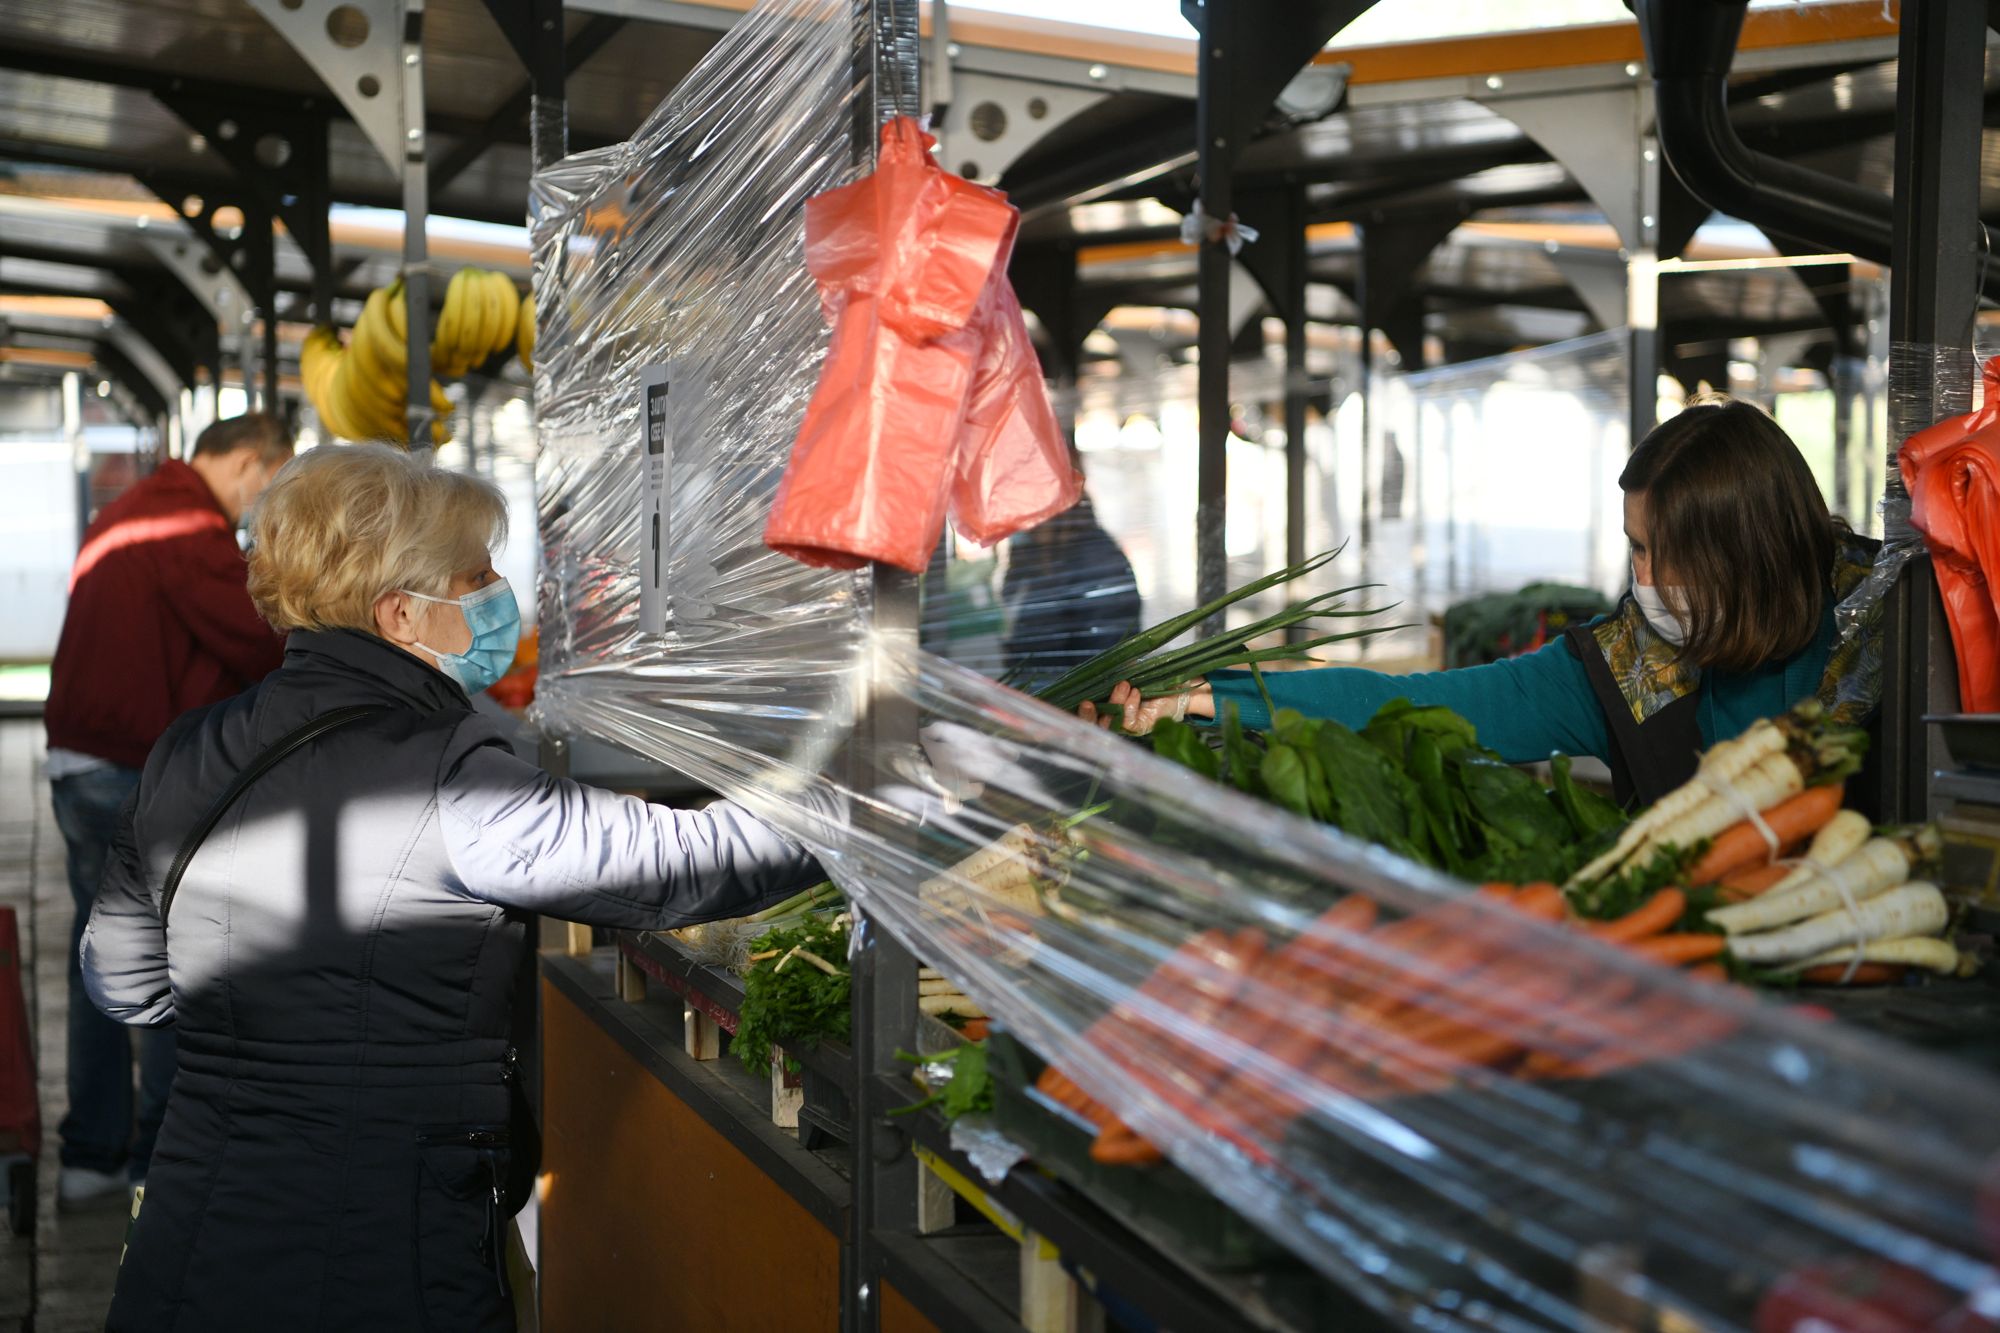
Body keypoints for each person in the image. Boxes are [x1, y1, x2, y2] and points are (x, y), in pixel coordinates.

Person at [82, 444, 827, 1331]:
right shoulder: (445, 773)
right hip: (389, 1253)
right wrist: (864, 810)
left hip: (190, 1239)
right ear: (399, 612)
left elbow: (123, 983)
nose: (500, 592)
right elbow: (681, 862)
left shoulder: (185, 750)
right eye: (476, 577)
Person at [1082, 399, 1883, 808]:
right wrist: (1211, 696)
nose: (1643, 578)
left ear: (1746, 549)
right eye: (1636, 546)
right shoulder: (1627, 666)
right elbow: (1412, 704)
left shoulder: (1885, 631)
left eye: (1663, 554)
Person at [43, 411, 293, 1203]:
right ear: (248, 462)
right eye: (272, 481)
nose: (264, 501)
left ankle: (91, 1155)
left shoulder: (138, 507)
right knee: (173, 958)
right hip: (128, 767)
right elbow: (259, 637)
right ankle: (160, 1161)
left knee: (102, 953)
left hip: (82, 763)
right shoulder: (186, 523)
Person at [1000, 492, 1142, 692]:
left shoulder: (1098, 561)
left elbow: (1104, 657)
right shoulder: (1040, 559)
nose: (1022, 525)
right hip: (1039, 697)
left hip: (1077, 699)